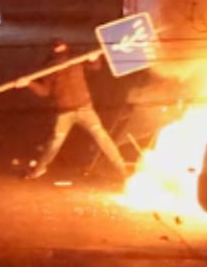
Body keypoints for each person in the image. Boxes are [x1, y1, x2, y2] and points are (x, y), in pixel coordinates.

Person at [16, 38, 128, 180]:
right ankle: (39, 170)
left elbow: (95, 67)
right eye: (57, 49)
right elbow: (44, 91)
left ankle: (122, 169)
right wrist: (29, 83)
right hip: (65, 112)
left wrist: (94, 59)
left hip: (85, 108)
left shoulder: (76, 58)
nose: (60, 51)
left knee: (102, 137)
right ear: (53, 51)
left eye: (62, 47)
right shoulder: (49, 68)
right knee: (56, 141)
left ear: (66, 47)